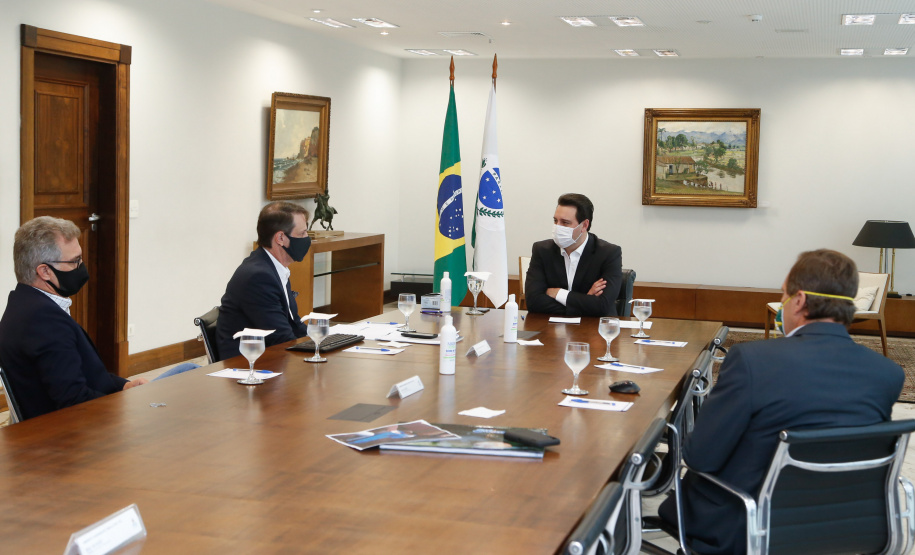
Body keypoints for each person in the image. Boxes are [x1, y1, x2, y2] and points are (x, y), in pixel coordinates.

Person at [658, 249, 905, 554]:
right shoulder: (887, 373)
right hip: (849, 528)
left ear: (799, 300)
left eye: (783, 295)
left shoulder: (753, 360)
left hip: (746, 526)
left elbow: (700, 457)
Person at [0, 217, 195, 421]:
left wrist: (124, 386)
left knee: (188, 370)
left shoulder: (24, 302)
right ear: (45, 271)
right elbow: (74, 402)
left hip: (101, 410)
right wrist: (126, 406)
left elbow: (84, 375)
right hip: (92, 429)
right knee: (189, 381)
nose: (82, 267)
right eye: (75, 262)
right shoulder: (43, 321)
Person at [217, 201, 312, 359]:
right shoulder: (258, 277)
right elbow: (281, 337)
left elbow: (294, 323)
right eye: (302, 234)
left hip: (270, 356)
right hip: (247, 365)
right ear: (280, 238)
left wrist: (323, 342)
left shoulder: (272, 267)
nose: (306, 239)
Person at [524, 193, 623, 317]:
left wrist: (559, 293)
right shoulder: (542, 250)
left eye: (565, 223)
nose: (557, 227)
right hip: (551, 330)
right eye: (555, 221)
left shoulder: (608, 253)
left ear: (584, 225)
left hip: (594, 331)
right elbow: (534, 302)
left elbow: (602, 306)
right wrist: (585, 301)